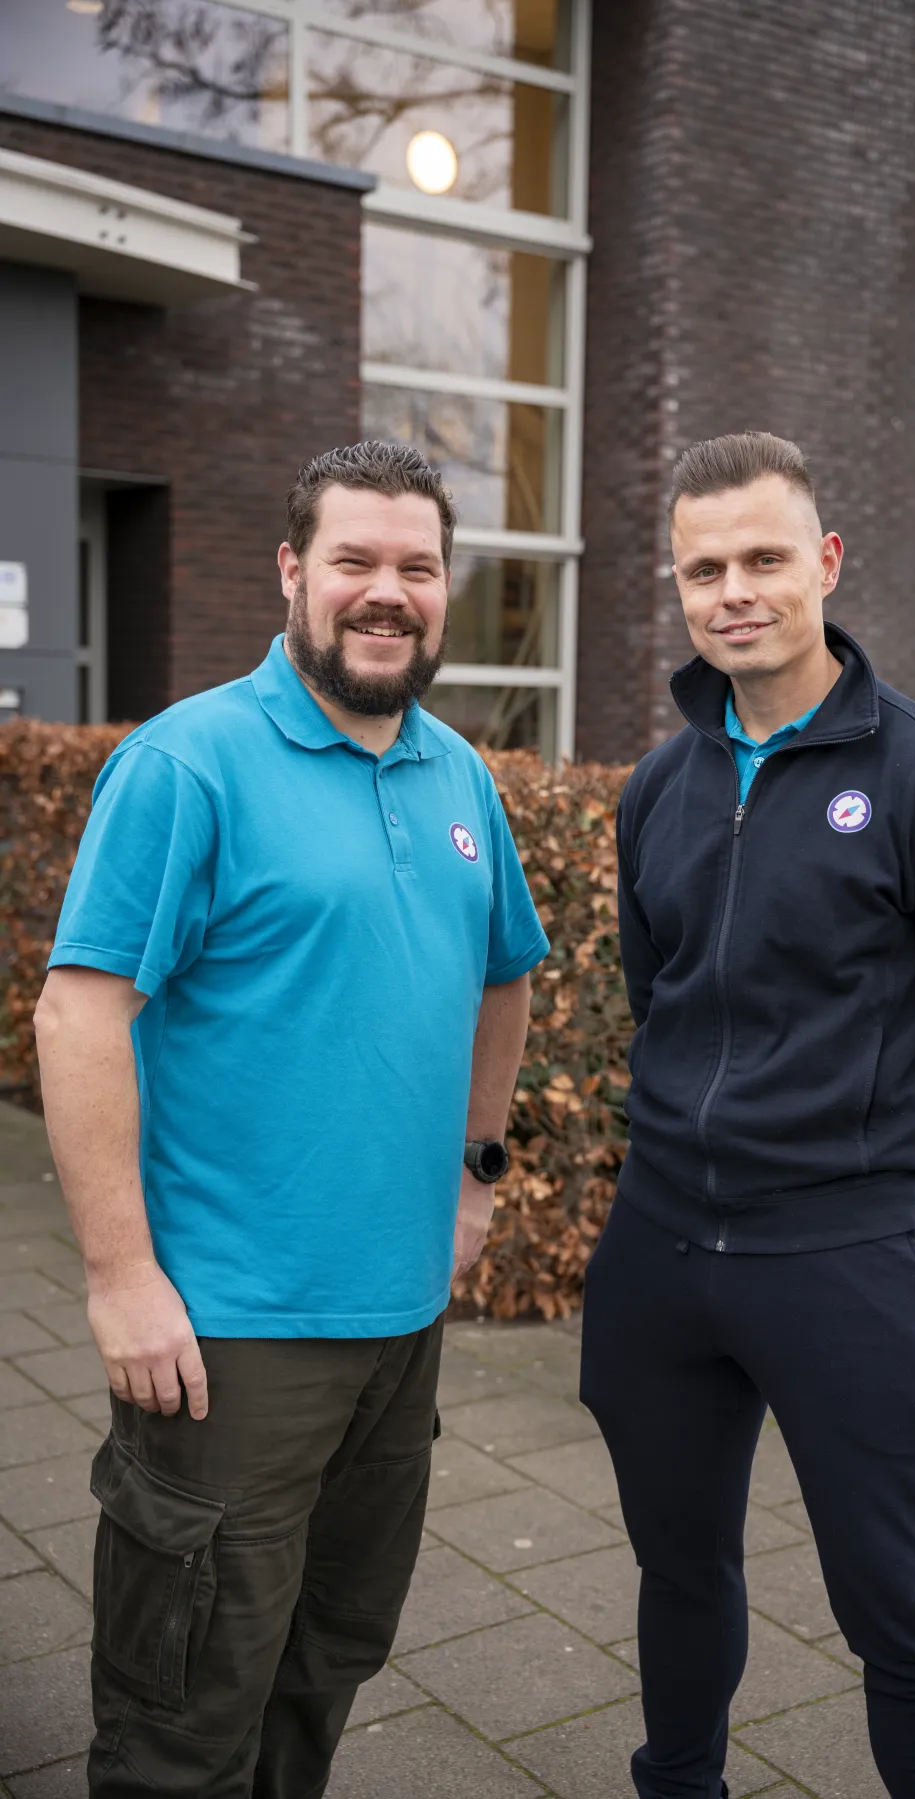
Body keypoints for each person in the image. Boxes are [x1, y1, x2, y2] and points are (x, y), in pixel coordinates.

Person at [34, 440, 548, 1798]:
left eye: (417, 567)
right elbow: (79, 1017)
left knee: (329, 1659)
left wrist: (478, 1172)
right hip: (228, 1338)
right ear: (291, 571)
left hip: (401, 1325)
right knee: (186, 1713)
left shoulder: (460, 777)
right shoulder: (186, 763)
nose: (388, 592)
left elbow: (504, 973)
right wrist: (120, 1276)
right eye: (354, 561)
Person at [580, 431, 915, 1799]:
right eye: (704, 569)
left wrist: (873, 1163)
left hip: (846, 1257)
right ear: (680, 586)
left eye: (764, 558)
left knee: (903, 1615)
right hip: (662, 1250)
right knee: (677, 1569)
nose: (734, 591)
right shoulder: (658, 788)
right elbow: (660, 993)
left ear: (826, 563)